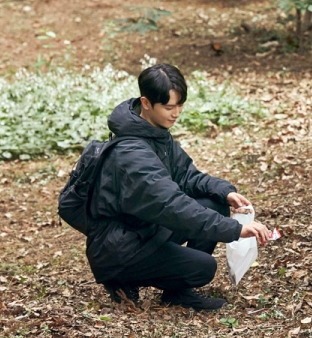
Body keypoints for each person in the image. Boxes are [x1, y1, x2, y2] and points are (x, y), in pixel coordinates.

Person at [86, 63, 270, 311]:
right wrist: (235, 229)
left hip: (144, 227)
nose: (176, 113)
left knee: (213, 201)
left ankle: (177, 292)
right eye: (169, 107)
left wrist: (225, 191)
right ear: (146, 102)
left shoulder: (155, 132)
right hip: (120, 248)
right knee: (203, 267)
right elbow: (172, 206)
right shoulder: (131, 152)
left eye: (180, 105)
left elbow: (186, 176)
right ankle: (122, 280)